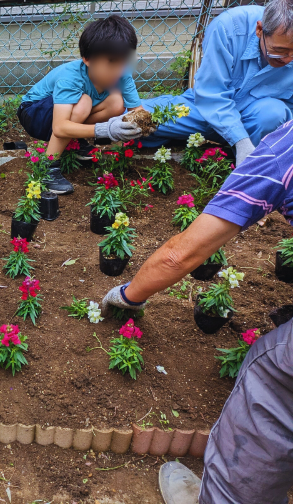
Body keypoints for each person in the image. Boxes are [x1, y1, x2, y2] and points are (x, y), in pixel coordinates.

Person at [100, 121, 293, 504]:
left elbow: (180, 254)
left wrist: (127, 295)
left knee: (273, 376)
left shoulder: (285, 146)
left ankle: (228, 496)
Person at [138, 0, 293, 166]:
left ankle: (249, 174)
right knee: (135, 119)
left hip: (255, 122)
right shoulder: (230, 28)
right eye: (279, 51)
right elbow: (211, 94)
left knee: (272, 114)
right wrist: (241, 141)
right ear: (259, 29)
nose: (287, 59)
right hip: (203, 111)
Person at [17, 15, 143, 194]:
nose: (119, 70)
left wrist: (147, 124)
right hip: (34, 113)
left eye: (124, 62)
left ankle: (75, 142)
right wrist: (106, 130)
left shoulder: (122, 73)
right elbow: (60, 127)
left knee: (116, 102)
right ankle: (48, 167)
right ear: (87, 59)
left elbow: (136, 111)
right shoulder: (71, 77)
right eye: (112, 63)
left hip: (65, 115)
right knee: (84, 102)